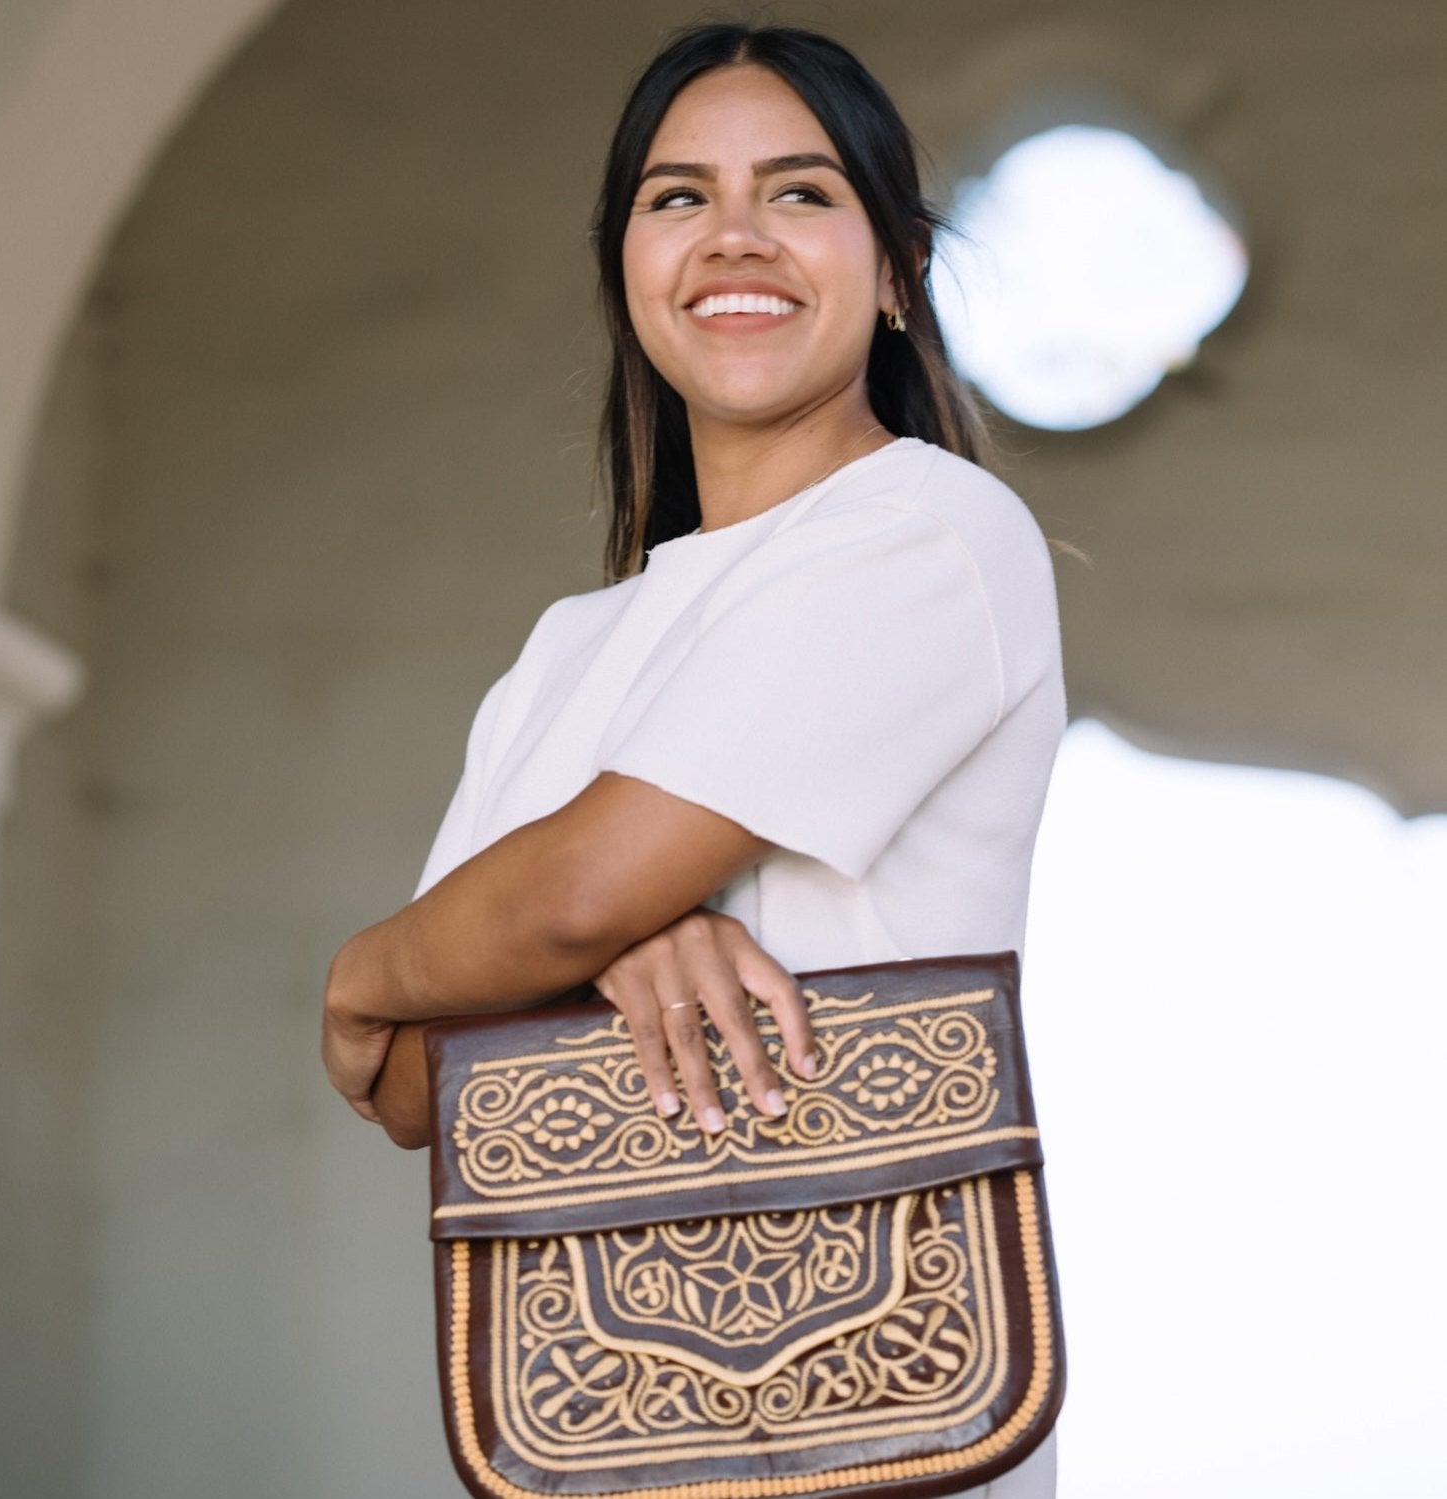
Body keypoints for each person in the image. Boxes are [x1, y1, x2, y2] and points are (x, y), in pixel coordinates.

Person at [322, 22, 1064, 1498]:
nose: (735, 236)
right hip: (602, 1419)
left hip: (877, 1410)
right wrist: (594, 937)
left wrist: (363, 976)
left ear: (900, 267)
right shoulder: (565, 651)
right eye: (678, 198)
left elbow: (538, 918)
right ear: (626, 269)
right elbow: (426, 1094)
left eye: (799, 193)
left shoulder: (931, 533)